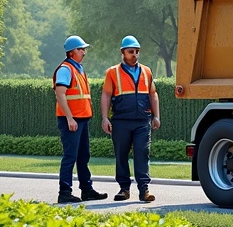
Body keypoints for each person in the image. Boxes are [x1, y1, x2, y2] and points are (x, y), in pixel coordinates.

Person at [101, 35, 160, 202]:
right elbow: (106, 95)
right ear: (123, 52)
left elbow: (153, 94)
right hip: (121, 120)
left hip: (142, 120)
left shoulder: (147, 71)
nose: (135, 54)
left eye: (137, 51)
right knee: (121, 154)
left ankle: (144, 190)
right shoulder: (112, 72)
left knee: (142, 152)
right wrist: (105, 118)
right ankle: (124, 189)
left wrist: (157, 116)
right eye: (131, 51)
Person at [53, 36, 108, 203]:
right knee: (70, 156)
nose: (84, 52)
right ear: (71, 52)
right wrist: (70, 118)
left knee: (83, 156)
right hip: (72, 120)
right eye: (80, 49)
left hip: (82, 119)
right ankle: (64, 193)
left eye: (84, 49)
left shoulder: (78, 69)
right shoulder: (65, 69)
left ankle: (87, 190)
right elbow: (60, 94)